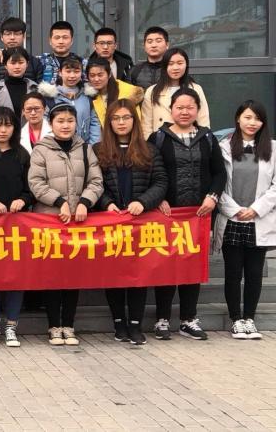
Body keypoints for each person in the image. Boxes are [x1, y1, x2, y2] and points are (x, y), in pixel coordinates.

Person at [148, 87, 225, 341]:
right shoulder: (158, 138)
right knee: (166, 265)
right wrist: (158, 198)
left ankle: (188, 319)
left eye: (190, 107)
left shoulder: (207, 138)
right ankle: (162, 319)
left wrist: (213, 197)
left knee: (192, 266)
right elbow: (149, 172)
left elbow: (219, 173)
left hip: (198, 215)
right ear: (170, 109)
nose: (184, 112)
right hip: (167, 215)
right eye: (179, 107)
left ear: (197, 110)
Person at [28, 104, 104, 346]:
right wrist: (59, 201)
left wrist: (85, 202)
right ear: (51, 124)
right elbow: (36, 183)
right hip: (50, 219)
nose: (65, 125)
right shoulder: (41, 150)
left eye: (70, 121)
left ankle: (69, 325)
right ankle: (54, 326)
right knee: (52, 274)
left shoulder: (85, 149)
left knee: (73, 274)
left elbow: (96, 181)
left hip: (78, 221)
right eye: (60, 121)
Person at [95, 100, 168, 346]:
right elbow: (94, 183)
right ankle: (119, 323)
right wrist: (106, 203)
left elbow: (161, 182)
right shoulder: (98, 150)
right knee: (113, 274)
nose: (121, 122)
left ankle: (135, 324)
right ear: (109, 123)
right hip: (110, 222)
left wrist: (143, 202)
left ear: (134, 121)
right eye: (116, 118)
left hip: (140, 222)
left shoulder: (149, 150)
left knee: (138, 275)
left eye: (126, 117)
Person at [217, 101, 276, 341]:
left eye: (257, 118)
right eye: (248, 117)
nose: (252, 123)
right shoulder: (223, 147)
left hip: (258, 220)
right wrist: (235, 209)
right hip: (232, 219)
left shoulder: (272, 149)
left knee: (254, 273)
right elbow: (218, 183)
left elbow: (275, 186)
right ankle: (235, 320)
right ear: (238, 118)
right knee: (233, 273)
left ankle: (249, 318)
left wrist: (256, 209)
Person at [0, 108, 34, 348]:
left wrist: (23, 200)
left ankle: (11, 325)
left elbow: (31, 188)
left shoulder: (22, 155)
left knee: (16, 275)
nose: (3, 130)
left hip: (16, 225)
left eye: (8, 125)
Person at [140, 48, 210, 139]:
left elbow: (203, 120)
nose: (175, 68)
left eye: (180, 63)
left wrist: (205, 141)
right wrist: (149, 145)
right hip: (161, 142)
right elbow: (146, 126)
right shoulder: (152, 91)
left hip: (191, 141)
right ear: (164, 66)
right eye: (171, 64)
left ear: (186, 65)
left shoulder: (196, 89)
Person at [40, 57, 100, 144]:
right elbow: (45, 125)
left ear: (81, 73)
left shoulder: (88, 96)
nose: (72, 76)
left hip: (84, 146)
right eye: (68, 71)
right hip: (57, 147)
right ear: (60, 72)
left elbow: (94, 123)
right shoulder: (50, 98)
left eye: (76, 71)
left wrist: (92, 146)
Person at [86, 59, 144, 130]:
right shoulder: (88, 95)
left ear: (109, 74)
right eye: (92, 76)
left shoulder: (128, 92)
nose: (96, 79)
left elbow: (137, 121)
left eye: (100, 75)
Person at [0, 18, 40, 82]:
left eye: (17, 34)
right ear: (1, 37)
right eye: (8, 34)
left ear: (24, 36)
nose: (12, 38)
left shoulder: (35, 62)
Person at [0, 48, 37, 114]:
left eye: (21, 63)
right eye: (13, 63)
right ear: (5, 65)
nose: (17, 67)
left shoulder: (36, 89)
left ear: (27, 64)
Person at [37, 21, 83, 87]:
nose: (61, 42)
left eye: (65, 37)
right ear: (50, 41)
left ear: (71, 41)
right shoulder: (39, 61)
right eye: (57, 38)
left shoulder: (82, 62)